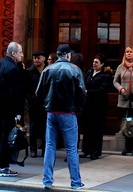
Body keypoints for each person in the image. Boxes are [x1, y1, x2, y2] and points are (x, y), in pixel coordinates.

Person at [37, 44, 86, 190]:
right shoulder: (74, 69)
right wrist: (77, 109)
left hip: (52, 111)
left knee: (50, 146)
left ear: (58, 55)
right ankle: (76, 182)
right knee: (71, 148)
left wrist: (46, 106)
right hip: (68, 112)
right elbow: (82, 93)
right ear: (68, 55)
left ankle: (47, 180)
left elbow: (39, 93)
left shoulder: (47, 69)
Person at [0, 41, 25, 178]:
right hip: (8, 108)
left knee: (0, 137)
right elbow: (15, 93)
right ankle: (2, 166)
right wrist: (18, 112)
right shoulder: (13, 69)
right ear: (13, 53)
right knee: (6, 138)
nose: (22, 55)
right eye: (20, 52)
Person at [82, 55, 112, 160]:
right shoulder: (89, 73)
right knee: (87, 128)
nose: (94, 64)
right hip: (88, 105)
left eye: (97, 62)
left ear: (102, 64)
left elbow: (103, 90)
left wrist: (89, 92)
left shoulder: (106, 75)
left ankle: (95, 151)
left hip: (99, 105)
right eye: (93, 62)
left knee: (97, 129)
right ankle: (86, 150)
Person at [113, 46, 133, 155]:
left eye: (130, 52)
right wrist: (120, 88)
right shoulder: (121, 67)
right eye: (127, 52)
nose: (128, 54)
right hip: (124, 99)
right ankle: (127, 146)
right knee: (126, 122)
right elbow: (115, 81)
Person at [26, 50, 47, 156]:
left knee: (45, 126)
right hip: (33, 103)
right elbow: (26, 89)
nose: (36, 60)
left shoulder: (48, 71)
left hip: (45, 103)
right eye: (34, 58)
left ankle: (44, 148)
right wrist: (31, 98)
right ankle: (33, 149)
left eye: (38, 58)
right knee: (33, 126)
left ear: (44, 59)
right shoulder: (29, 72)